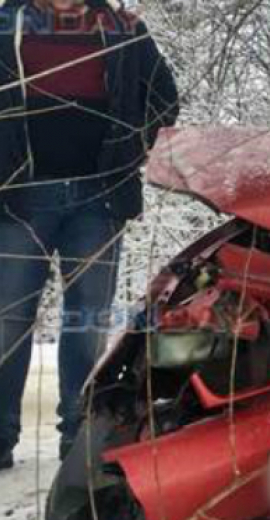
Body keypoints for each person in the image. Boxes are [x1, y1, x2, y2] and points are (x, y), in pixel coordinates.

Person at [0, 0, 179, 468]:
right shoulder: (6, 24)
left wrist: (127, 156)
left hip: (96, 202)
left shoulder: (123, 27)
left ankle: (78, 441)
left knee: (86, 323)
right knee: (8, 324)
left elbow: (164, 99)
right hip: (19, 202)